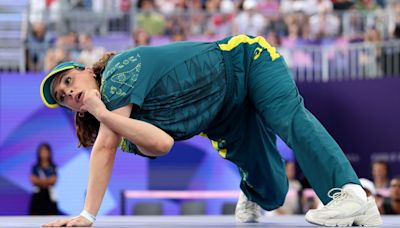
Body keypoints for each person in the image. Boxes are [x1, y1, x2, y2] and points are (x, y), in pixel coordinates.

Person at [40, 34, 382, 227]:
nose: (68, 93)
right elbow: (160, 144)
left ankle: (349, 193)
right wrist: (105, 116)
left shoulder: (118, 70)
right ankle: (253, 190)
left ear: (86, 70)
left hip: (245, 64)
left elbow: (104, 148)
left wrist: (87, 216)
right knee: (273, 193)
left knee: (288, 117)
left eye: (68, 81)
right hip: (223, 118)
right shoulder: (118, 125)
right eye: (61, 97)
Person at [29, 143, 59, 215]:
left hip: (49, 196)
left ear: (49, 153)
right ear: (39, 153)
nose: (44, 154)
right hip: (38, 196)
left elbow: (54, 180)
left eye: (46, 152)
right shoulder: (35, 167)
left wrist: (39, 181)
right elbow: (33, 180)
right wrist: (47, 181)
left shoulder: (53, 167)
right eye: (42, 152)